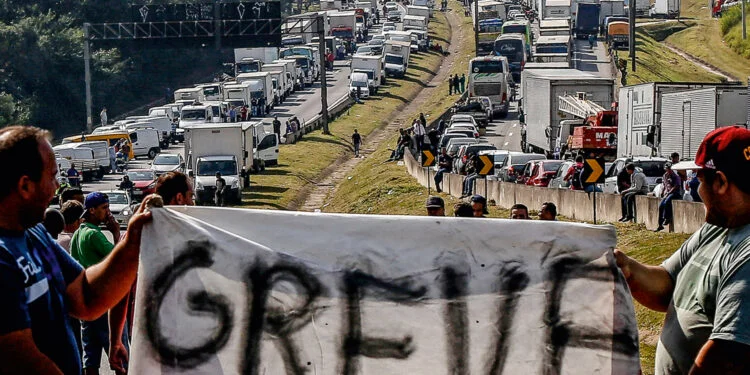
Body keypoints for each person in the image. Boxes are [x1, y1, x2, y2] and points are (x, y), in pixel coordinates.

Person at [0, 126, 153, 375]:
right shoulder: (3, 257)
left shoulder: (34, 234)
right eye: (52, 176)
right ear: (25, 185)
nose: (57, 187)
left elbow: (86, 297)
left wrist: (132, 241)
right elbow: (20, 360)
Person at [614, 126, 750, 375]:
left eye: (700, 179)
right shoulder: (717, 228)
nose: (697, 190)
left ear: (720, 181)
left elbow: (729, 357)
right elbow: (668, 284)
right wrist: (627, 268)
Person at [70, 192, 129, 375]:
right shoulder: (94, 235)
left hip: (86, 303)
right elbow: (119, 260)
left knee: (90, 356)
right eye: (104, 208)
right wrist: (116, 232)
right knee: (119, 353)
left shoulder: (78, 234)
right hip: (103, 304)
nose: (108, 213)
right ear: (92, 210)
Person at [655, 162, 682, 232]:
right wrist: (662, 191)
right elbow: (664, 184)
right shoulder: (665, 175)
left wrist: (669, 192)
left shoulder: (675, 176)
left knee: (667, 202)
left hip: (675, 193)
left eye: (669, 169)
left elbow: (676, 186)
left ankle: (667, 218)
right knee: (661, 206)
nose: (668, 170)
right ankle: (660, 225)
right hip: (667, 192)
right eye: (667, 169)